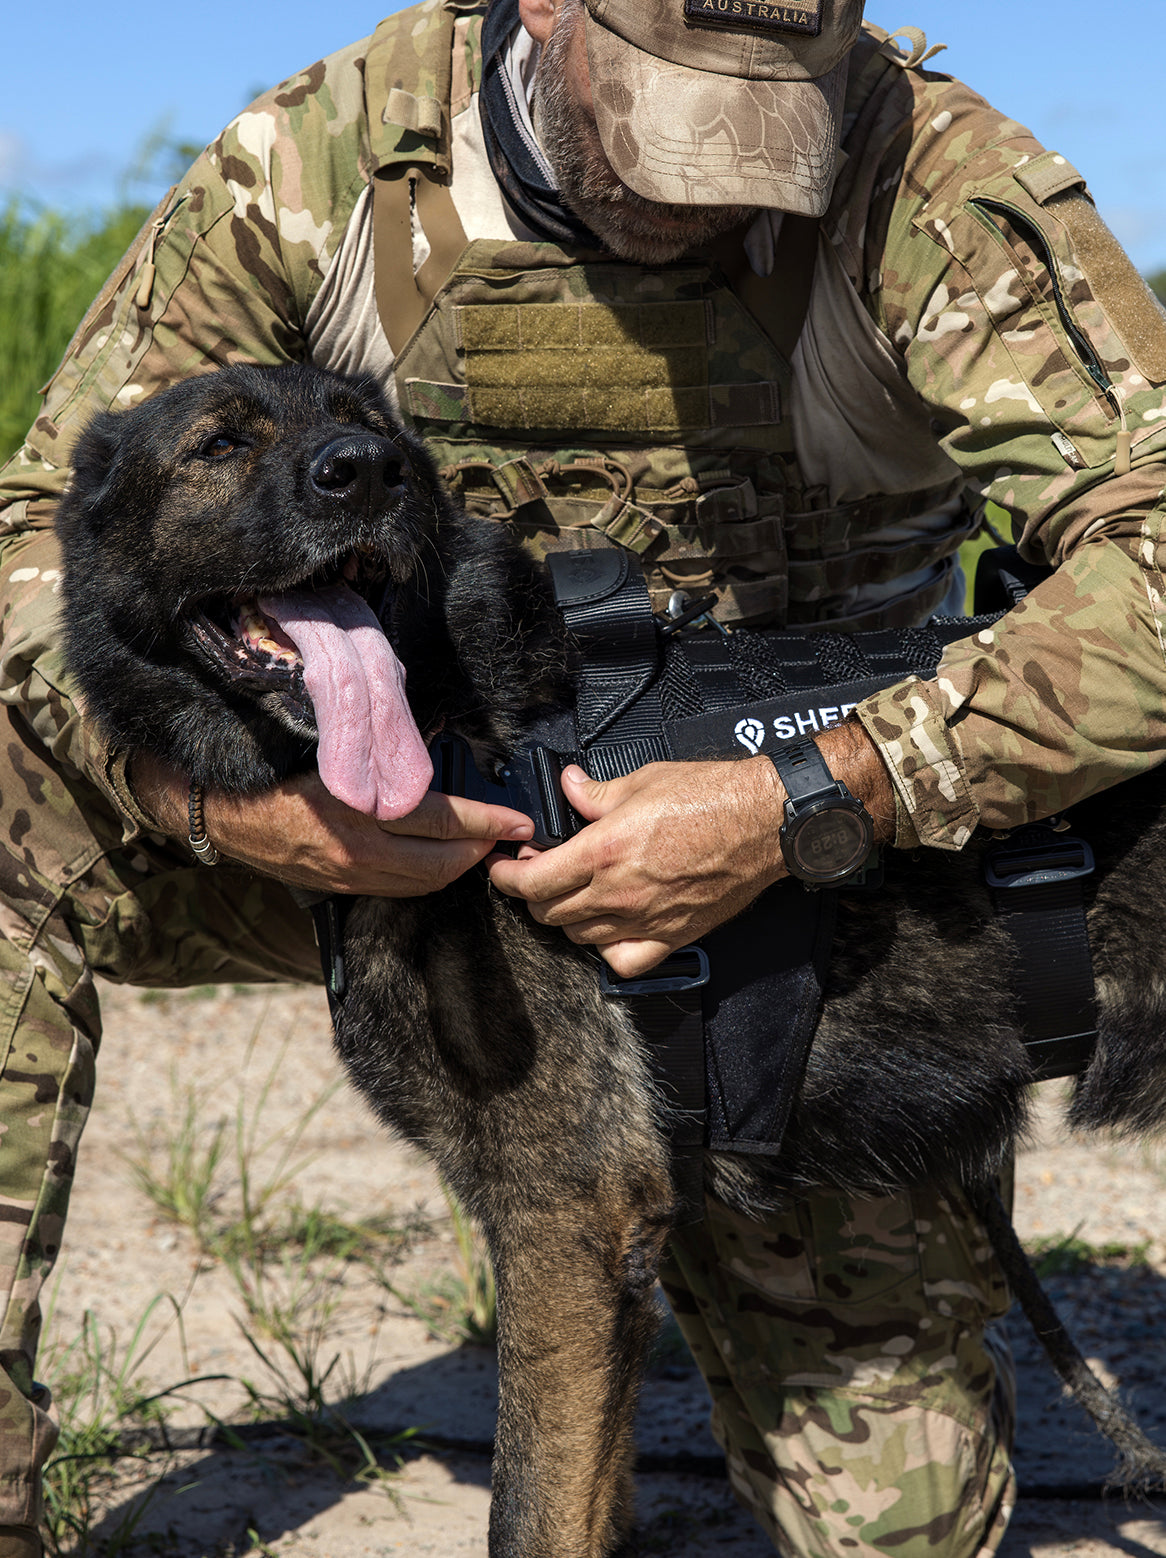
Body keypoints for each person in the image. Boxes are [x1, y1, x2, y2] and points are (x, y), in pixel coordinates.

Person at [2, 0, 1165, 1552]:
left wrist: (815, 796)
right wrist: (224, 808)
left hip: (829, 883)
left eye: (765, 129)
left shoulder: (926, 174)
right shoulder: (328, 159)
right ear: (541, 11)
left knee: (900, 1519)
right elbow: (37, 539)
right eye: (669, 114)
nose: (703, 188)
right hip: (405, 815)